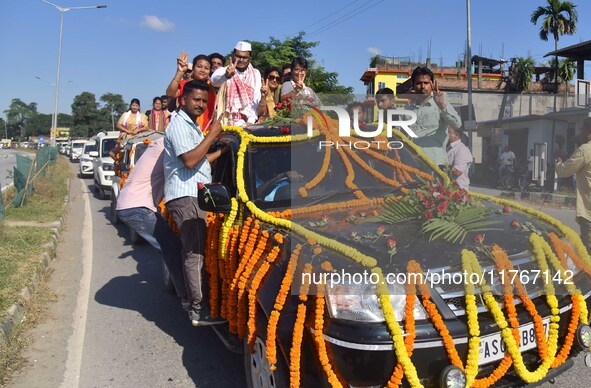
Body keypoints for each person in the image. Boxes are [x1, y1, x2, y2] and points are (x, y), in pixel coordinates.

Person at [164, 80, 225, 326]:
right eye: (196, 100)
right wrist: (213, 133)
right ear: (183, 100)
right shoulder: (178, 124)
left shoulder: (191, 126)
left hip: (195, 193)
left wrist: (223, 151)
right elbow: (190, 161)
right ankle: (198, 310)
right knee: (195, 253)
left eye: (203, 101)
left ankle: (195, 303)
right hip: (186, 194)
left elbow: (199, 160)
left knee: (194, 251)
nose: (200, 104)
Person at [116, 137, 188, 309]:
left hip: (136, 205)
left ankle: (184, 291)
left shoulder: (161, 144)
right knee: (171, 248)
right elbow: (191, 163)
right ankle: (187, 299)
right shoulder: (169, 146)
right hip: (137, 206)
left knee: (169, 246)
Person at [408, 66, 462, 166]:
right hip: (412, 165)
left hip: (436, 165)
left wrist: (442, 106)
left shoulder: (441, 105)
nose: (423, 86)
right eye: (419, 83)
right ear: (413, 85)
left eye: (426, 83)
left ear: (432, 85)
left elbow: (457, 124)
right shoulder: (407, 111)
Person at [555, 119, 591, 252]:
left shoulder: (585, 150)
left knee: (587, 253)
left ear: (588, 131)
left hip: (589, 211)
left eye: (582, 129)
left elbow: (564, 171)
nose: (580, 131)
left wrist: (558, 163)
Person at [211, 41, 262, 127]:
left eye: (244, 57)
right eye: (238, 56)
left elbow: (256, 98)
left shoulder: (255, 73)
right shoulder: (224, 70)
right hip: (225, 121)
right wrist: (226, 76)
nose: (241, 60)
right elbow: (214, 81)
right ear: (233, 55)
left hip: (248, 123)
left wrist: (251, 121)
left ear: (250, 59)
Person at [166, 52, 216, 133]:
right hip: (185, 130)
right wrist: (180, 72)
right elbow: (170, 94)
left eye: (206, 68)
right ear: (193, 68)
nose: (203, 70)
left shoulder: (213, 85)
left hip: (206, 132)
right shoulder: (185, 84)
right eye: (199, 67)